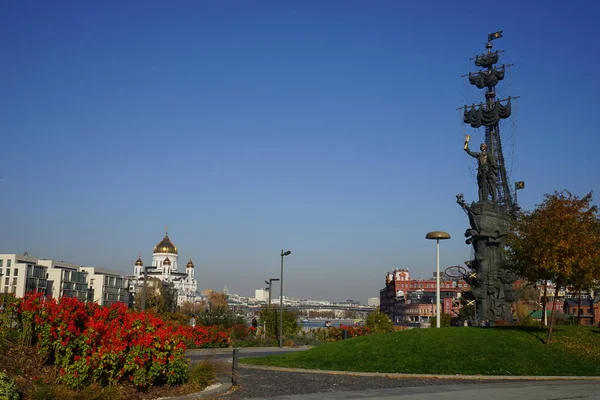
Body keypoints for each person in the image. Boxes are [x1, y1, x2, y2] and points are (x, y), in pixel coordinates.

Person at [464, 138, 498, 203]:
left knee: (489, 184)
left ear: (485, 147)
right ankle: (481, 200)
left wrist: (495, 167)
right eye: (481, 146)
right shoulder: (479, 155)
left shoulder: (488, 154)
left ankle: (493, 199)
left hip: (487, 171)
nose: (482, 147)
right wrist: (466, 144)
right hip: (481, 171)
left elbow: (493, 163)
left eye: (483, 146)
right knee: (480, 185)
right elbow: (470, 152)